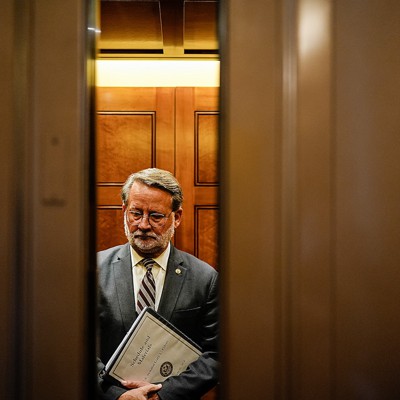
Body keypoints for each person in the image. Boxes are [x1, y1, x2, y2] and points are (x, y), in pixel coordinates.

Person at [97, 168, 219, 400]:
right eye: (135, 213)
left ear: (177, 217)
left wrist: (162, 396)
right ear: (124, 211)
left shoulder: (205, 279)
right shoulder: (93, 272)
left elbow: (215, 355)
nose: (143, 225)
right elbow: (76, 347)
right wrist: (117, 396)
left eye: (155, 216)